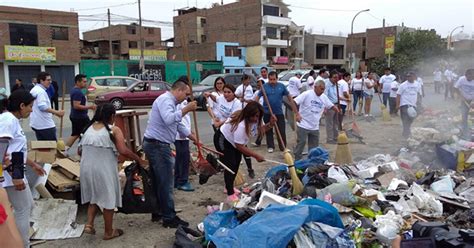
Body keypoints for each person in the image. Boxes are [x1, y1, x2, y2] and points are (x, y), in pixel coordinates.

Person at [79, 103, 146, 240]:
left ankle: (89, 225)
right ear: (112, 116)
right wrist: (138, 159)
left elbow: (80, 151)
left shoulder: (87, 128)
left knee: (94, 195)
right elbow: (123, 150)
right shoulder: (113, 130)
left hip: (85, 168)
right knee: (108, 199)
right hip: (103, 169)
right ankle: (109, 232)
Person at [143, 79, 198, 228]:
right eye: (186, 94)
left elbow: (178, 124)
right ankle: (169, 217)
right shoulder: (165, 100)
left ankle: (159, 212)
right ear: (179, 90)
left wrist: (192, 137)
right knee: (166, 182)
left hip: (156, 144)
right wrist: (187, 109)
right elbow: (169, 120)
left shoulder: (173, 103)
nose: (186, 98)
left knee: (159, 181)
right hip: (157, 145)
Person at [0, 90, 46, 247]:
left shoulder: (11, 120)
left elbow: (15, 150)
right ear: (21, 105)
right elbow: (1, 149)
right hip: (11, 175)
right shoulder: (8, 120)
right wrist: (15, 175)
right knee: (23, 209)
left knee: (27, 206)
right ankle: (22, 244)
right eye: (30, 106)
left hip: (15, 172)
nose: (31, 110)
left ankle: (14, 237)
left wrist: (33, 165)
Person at [220, 101, 276, 203]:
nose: (255, 119)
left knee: (236, 162)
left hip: (235, 141)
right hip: (224, 139)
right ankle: (229, 193)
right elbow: (240, 146)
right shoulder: (241, 125)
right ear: (247, 114)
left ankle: (229, 186)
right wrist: (256, 155)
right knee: (230, 164)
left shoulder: (257, 120)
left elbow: (260, 130)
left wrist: (270, 124)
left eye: (257, 116)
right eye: (253, 116)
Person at [256, 71, 300, 153]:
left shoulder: (282, 86)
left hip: (279, 112)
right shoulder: (264, 87)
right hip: (267, 112)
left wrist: (295, 110)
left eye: (274, 79)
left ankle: (283, 147)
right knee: (269, 129)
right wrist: (257, 108)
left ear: (277, 79)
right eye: (270, 79)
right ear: (268, 79)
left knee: (281, 130)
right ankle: (270, 146)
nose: (272, 81)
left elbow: (289, 98)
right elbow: (257, 98)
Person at [294, 80, 338, 160]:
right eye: (321, 89)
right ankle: (297, 161)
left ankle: (311, 162)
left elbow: (330, 105)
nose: (322, 91)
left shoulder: (323, 97)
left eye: (323, 89)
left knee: (314, 148)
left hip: (314, 126)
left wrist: (336, 109)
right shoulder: (307, 94)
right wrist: (297, 114)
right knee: (301, 143)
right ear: (315, 87)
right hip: (303, 124)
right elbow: (294, 102)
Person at [204, 84, 242, 154]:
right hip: (222, 127)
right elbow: (215, 98)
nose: (226, 94)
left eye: (229, 92)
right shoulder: (222, 98)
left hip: (231, 127)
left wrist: (219, 123)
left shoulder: (237, 103)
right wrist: (209, 95)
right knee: (222, 144)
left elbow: (232, 118)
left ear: (234, 93)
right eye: (224, 92)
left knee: (234, 145)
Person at [29, 72, 65, 140]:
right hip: (44, 125)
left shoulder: (34, 90)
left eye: (50, 80)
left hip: (37, 123)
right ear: (41, 81)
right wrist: (57, 112)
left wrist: (55, 113)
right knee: (52, 146)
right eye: (48, 80)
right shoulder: (40, 92)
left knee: (43, 147)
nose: (50, 82)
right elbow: (42, 106)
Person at [66, 74, 96, 148]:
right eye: (84, 81)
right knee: (87, 133)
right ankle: (80, 150)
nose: (85, 83)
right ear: (77, 82)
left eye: (86, 81)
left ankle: (65, 150)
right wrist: (90, 107)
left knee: (76, 134)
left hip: (77, 116)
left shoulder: (75, 90)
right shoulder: (77, 92)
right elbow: (76, 106)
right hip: (80, 117)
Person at [234, 74, 255, 178]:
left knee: (244, 147)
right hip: (239, 116)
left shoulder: (250, 88)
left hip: (247, 113)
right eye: (246, 80)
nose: (247, 82)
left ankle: (250, 168)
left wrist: (244, 100)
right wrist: (240, 97)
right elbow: (236, 95)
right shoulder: (240, 88)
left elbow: (250, 100)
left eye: (248, 80)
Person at [174, 99, 194, 191]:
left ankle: (177, 180)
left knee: (180, 158)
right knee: (183, 158)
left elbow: (186, 119)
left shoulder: (184, 101)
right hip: (180, 135)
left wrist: (190, 130)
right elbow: (178, 120)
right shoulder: (177, 103)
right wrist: (188, 134)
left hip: (185, 133)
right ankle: (182, 181)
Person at [396, 72, 422, 138]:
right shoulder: (403, 85)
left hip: (413, 104)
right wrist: (397, 105)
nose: (409, 78)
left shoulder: (417, 84)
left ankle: (407, 129)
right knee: (405, 118)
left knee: (412, 117)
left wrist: (419, 102)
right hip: (404, 104)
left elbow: (419, 94)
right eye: (407, 76)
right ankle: (406, 132)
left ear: (414, 77)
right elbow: (398, 95)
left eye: (410, 76)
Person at [454, 69, 474, 139]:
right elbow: (455, 88)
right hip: (464, 100)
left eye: (472, 77)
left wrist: (473, 102)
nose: (471, 78)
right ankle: (465, 133)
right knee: (464, 116)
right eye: (470, 77)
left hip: (472, 100)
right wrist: (460, 96)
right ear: (466, 75)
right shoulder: (461, 79)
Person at [325, 71, 343, 144]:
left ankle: (335, 137)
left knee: (336, 122)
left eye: (337, 77)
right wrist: (325, 108)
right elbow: (325, 97)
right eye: (334, 77)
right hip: (330, 106)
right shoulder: (327, 85)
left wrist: (339, 105)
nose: (336, 79)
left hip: (336, 105)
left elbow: (337, 96)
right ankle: (329, 139)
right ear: (330, 78)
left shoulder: (336, 85)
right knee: (329, 123)